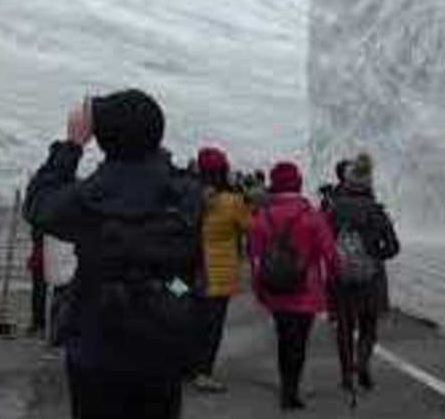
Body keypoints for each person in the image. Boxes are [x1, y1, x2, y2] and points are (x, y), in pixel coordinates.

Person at [24, 89, 203, 419]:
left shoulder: (89, 197)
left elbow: (39, 204)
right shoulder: (186, 194)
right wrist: (178, 292)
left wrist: (72, 145)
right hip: (163, 339)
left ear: (104, 139)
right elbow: (189, 269)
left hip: (96, 341)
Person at [248, 161, 338, 411]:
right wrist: (334, 285)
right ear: (298, 183)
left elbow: (255, 258)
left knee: (284, 338)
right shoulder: (312, 216)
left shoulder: (261, 217)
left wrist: (259, 289)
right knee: (299, 341)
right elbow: (330, 255)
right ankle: (292, 389)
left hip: (275, 289)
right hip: (306, 291)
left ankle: (287, 385)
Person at [325, 153, 400, 393]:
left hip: (342, 278)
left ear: (347, 183)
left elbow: (324, 242)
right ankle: (362, 362)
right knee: (368, 326)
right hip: (371, 279)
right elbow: (393, 247)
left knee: (345, 327)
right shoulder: (377, 212)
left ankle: (346, 375)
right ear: (368, 184)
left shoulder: (334, 210)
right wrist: (375, 256)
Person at [191, 146, 251, 393]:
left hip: (183, 275)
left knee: (186, 317)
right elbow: (251, 227)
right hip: (218, 277)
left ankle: (185, 365)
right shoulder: (231, 202)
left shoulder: (187, 195)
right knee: (212, 325)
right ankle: (203, 373)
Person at [27, 225, 47, 334]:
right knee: (38, 290)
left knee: (40, 291)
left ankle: (39, 322)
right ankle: (38, 321)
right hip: (40, 257)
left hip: (44, 256)